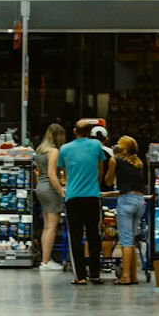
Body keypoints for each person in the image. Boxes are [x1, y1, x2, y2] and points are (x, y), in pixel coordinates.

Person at [57, 120, 107, 285]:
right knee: (94, 236)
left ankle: (80, 276)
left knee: (76, 237)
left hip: (73, 197)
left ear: (74, 131)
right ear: (90, 132)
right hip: (92, 196)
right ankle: (95, 273)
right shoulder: (96, 146)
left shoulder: (64, 149)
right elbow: (100, 168)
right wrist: (95, 184)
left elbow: (64, 172)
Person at [105, 135, 145, 285]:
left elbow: (109, 181)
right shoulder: (139, 163)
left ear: (123, 148)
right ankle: (133, 276)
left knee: (125, 241)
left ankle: (126, 276)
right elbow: (130, 187)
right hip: (139, 202)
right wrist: (109, 194)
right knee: (133, 240)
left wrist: (111, 165)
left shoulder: (115, 160)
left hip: (126, 203)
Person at [34, 123, 66, 271]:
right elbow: (52, 175)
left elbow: (40, 173)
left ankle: (45, 259)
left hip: (40, 187)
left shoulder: (40, 151)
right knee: (51, 227)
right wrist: (61, 191)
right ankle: (46, 261)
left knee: (46, 226)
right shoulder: (54, 151)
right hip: (50, 189)